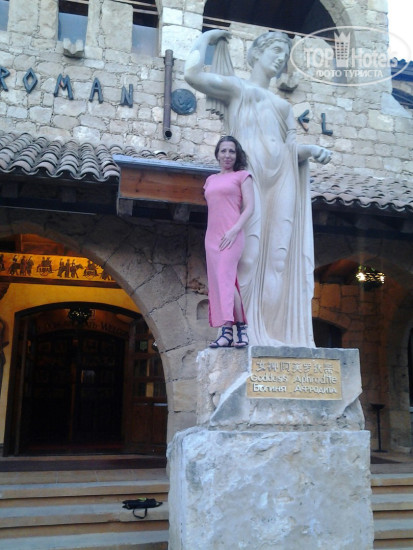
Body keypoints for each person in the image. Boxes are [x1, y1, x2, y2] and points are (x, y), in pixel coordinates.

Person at [185, 30, 332, 347]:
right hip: (250, 180)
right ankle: (243, 329)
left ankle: (273, 333)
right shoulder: (238, 89)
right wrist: (206, 38)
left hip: (282, 181)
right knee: (247, 260)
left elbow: (289, 148)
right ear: (255, 54)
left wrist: (310, 151)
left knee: (278, 259)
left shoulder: (283, 107)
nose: (280, 58)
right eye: (275, 50)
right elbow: (192, 74)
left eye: (284, 54)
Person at [204, 136, 254, 348]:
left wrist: (234, 230)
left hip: (232, 235)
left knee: (225, 280)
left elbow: (250, 208)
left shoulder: (243, 176)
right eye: (223, 151)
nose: (227, 155)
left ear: (237, 154)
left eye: (231, 151)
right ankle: (229, 332)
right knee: (220, 283)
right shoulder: (210, 180)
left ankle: (238, 329)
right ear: (217, 154)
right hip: (212, 238)